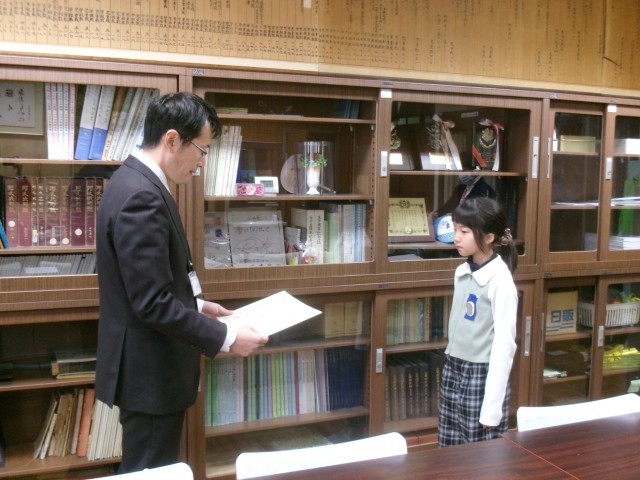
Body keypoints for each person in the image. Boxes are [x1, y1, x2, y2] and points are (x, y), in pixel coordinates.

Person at [95, 92, 268, 473]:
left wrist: (198, 305)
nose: (202, 163)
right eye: (202, 151)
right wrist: (227, 337)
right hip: (150, 373)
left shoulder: (133, 181)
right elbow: (152, 302)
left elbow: (148, 281)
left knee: (149, 469)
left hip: (146, 367)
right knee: (150, 472)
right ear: (172, 140)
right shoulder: (142, 195)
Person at [437, 196, 518, 447]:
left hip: (480, 375)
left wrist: (492, 409)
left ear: (489, 237)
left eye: (464, 231)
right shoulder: (462, 271)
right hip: (454, 366)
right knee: (448, 445)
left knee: (480, 452)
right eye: (455, 229)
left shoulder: (500, 281)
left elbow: (504, 346)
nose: (456, 237)